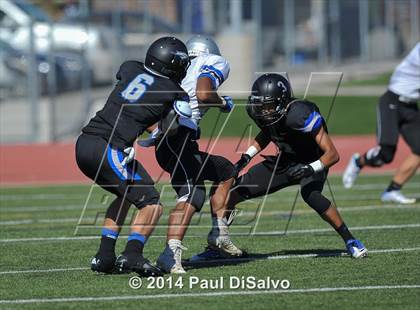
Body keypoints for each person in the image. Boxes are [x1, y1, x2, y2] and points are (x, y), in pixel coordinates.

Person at [192, 73, 368, 261]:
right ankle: (218, 245)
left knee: (312, 195)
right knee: (233, 191)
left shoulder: (300, 114)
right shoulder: (261, 112)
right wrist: (246, 157)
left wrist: (309, 169)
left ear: (282, 101)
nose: (263, 110)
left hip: (313, 161)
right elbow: (267, 133)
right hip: (284, 161)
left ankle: (350, 241)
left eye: (267, 105)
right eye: (260, 104)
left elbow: (332, 154)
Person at [75, 36, 191, 276]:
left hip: (85, 143)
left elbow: (136, 103)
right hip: (108, 148)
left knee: (126, 195)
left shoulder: (130, 67)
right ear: (172, 64)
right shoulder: (175, 91)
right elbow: (175, 126)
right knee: (152, 203)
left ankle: (105, 256)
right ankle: (132, 255)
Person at [141, 35, 242, 274]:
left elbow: (147, 112)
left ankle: (219, 235)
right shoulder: (214, 61)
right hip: (179, 140)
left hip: (171, 141)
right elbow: (205, 93)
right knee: (192, 194)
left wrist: (160, 132)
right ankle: (169, 255)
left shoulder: (174, 70)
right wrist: (222, 103)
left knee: (226, 171)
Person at [343, 43, 419, 204]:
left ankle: (392, 190)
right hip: (393, 101)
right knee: (385, 154)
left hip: (411, 106)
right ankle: (358, 162)